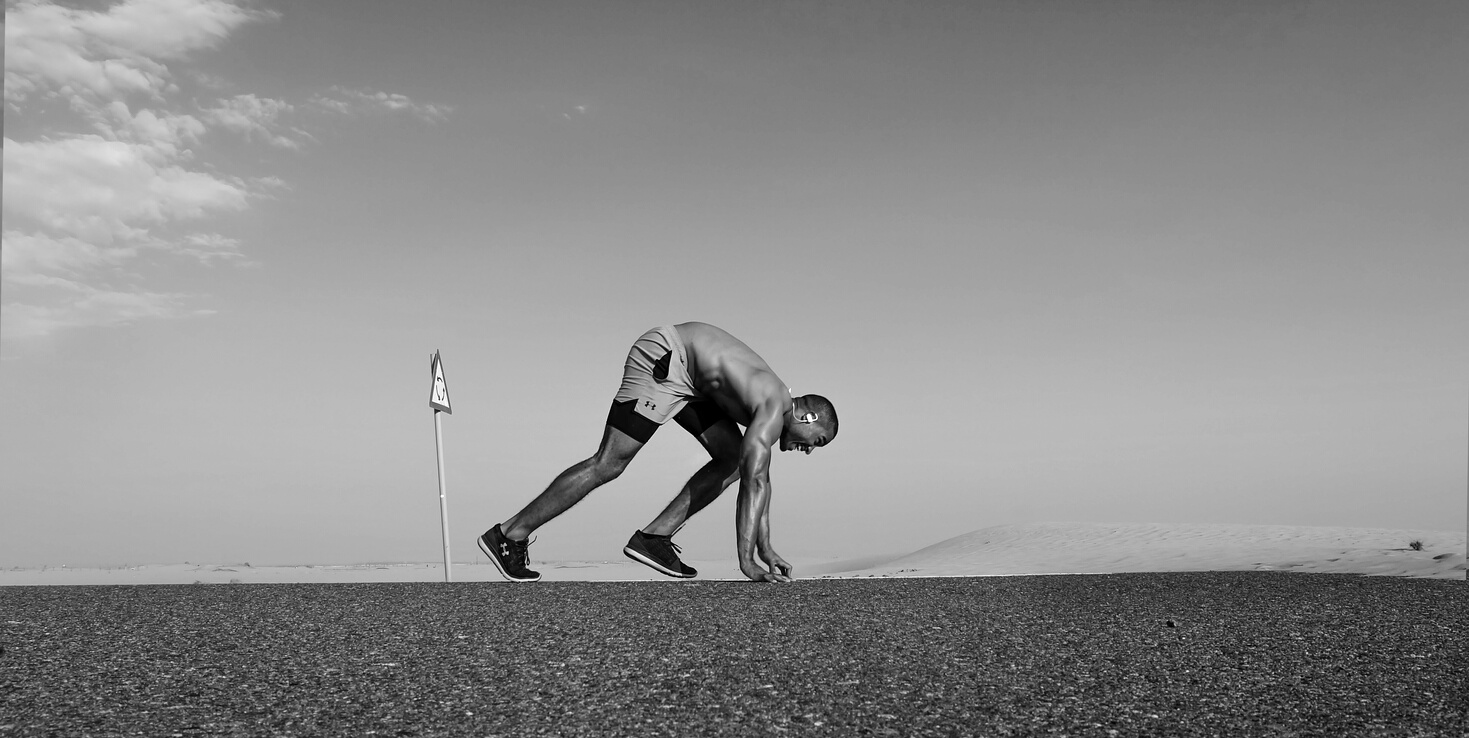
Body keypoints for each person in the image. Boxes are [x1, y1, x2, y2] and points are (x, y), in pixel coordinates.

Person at [478, 322, 837, 584]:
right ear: (808, 417)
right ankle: (508, 535)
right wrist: (748, 561)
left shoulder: (771, 406)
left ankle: (653, 539)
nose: (808, 451)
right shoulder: (774, 406)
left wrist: (766, 548)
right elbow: (757, 481)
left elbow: (760, 480)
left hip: (693, 383)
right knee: (609, 463)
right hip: (667, 358)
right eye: (817, 441)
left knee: (731, 461)